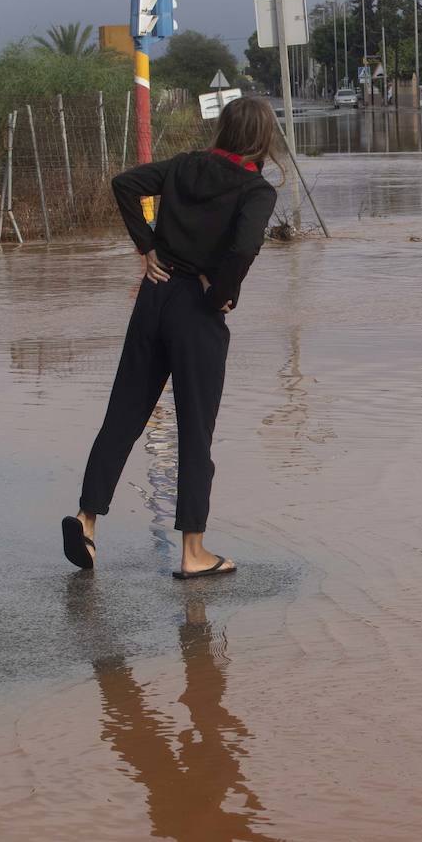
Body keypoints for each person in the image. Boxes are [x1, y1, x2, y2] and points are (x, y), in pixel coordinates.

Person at [62, 97, 279, 580]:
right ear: (263, 139)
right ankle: (194, 553)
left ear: (223, 129)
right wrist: (221, 292)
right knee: (194, 433)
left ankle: (86, 522)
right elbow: (244, 247)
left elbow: (126, 183)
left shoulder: (183, 166)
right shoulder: (256, 190)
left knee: (122, 416)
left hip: (153, 297)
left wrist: (149, 248)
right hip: (197, 313)